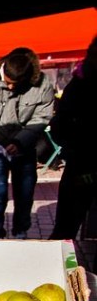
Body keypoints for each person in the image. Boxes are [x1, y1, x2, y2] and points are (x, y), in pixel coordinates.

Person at [0, 47, 56, 239]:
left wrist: (20, 141)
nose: (10, 88)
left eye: (14, 85)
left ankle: (20, 232)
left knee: (24, 194)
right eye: (7, 83)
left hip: (24, 149)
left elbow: (41, 118)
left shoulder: (42, 85)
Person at [49, 36, 97, 241]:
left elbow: (58, 129)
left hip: (80, 166)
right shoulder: (78, 86)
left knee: (63, 233)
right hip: (81, 166)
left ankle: (54, 272)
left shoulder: (78, 85)